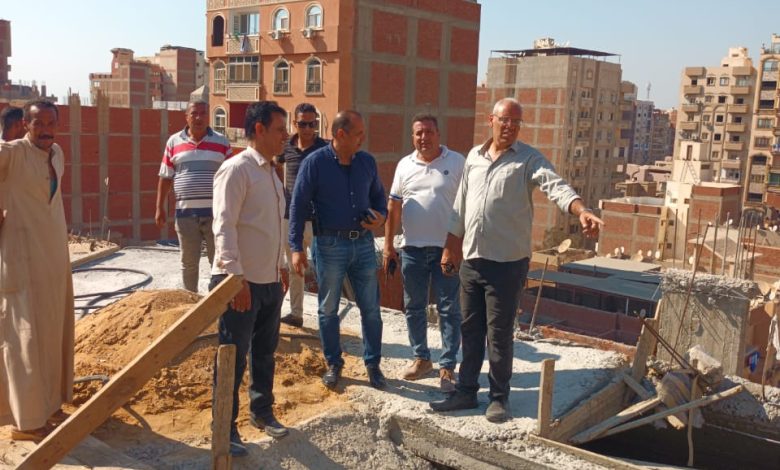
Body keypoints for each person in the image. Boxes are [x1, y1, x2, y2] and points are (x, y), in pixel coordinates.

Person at [430, 98, 604, 423]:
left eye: (516, 122)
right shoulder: (474, 157)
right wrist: (450, 248)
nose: (510, 126)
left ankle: (499, 398)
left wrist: (581, 210)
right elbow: (460, 206)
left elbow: (556, 187)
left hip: (506, 264)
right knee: (470, 330)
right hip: (472, 260)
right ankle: (466, 391)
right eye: (504, 120)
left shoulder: (528, 159)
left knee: (498, 335)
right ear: (491, 120)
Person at [210, 101, 290, 457]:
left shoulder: (271, 172)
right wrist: (234, 278)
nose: (285, 136)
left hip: (268, 281)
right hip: (240, 283)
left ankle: (262, 411)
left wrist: (281, 265)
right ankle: (224, 428)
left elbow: (273, 226)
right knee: (233, 358)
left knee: (264, 353)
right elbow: (224, 225)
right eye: (279, 129)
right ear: (259, 129)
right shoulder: (236, 169)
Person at [289, 110, 388, 390]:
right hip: (329, 245)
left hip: (364, 244)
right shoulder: (315, 163)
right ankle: (334, 363)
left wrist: (380, 217)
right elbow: (298, 205)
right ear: (341, 134)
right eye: (358, 134)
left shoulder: (366, 162)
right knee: (328, 309)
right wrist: (296, 247)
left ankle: (373, 364)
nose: (363, 139)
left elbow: (380, 199)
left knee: (371, 309)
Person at [0, 100, 74, 441]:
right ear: (25, 125)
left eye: (50, 123)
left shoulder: (57, 153)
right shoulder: (13, 153)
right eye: (37, 123)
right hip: (22, 259)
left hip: (53, 261)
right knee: (23, 338)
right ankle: (26, 422)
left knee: (51, 333)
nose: (45, 129)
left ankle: (48, 405)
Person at [383, 114, 464, 392]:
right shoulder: (405, 165)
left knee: (448, 308)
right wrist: (388, 245)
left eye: (428, 132)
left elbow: (467, 205)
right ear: (412, 136)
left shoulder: (457, 162)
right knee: (414, 306)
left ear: (438, 134)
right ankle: (421, 358)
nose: (423, 137)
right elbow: (394, 207)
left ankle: (448, 367)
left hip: (446, 250)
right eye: (418, 133)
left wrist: (457, 245)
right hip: (412, 250)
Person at [155, 100, 232, 292]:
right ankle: (191, 301)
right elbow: (165, 177)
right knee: (189, 263)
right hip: (185, 215)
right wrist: (159, 208)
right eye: (194, 113)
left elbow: (232, 178)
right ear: (186, 117)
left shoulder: (222, 142)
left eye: (203, 113)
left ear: (208, 116)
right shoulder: (173, 142)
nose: (199, 118)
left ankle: (218, 305)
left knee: (219, 263)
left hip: (216, 215)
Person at [275, 103, 328, 328]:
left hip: (318, 220)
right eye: (303, 124)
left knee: (324, 268)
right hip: (290, 218)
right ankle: (296, 314)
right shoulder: (286, 147)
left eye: (312, 124)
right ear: (295, 124)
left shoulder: (325, 149)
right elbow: (275, 165)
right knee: (294, 268)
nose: (307, 129)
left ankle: (326, 317)